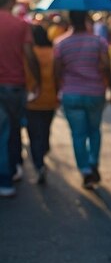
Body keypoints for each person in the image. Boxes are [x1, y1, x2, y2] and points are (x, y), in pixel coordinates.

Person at [54, 11, 111, 189]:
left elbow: (56, 71)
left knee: (78, 135)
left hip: (71, 94)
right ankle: (93, 161)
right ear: (87, 20)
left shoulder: (61, 43)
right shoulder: (98, 41)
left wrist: (59, 90)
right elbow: (106, 66)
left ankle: (85, 170)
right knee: (94, 131)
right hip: (95, 93)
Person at [0, 0, 40, 197]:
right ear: (10, 0)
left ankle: (7, 173)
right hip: (14, 86)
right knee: (13, 130)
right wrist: (38, 81)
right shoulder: (20, 25)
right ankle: (9, 173)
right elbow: (30, 55)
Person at [25, 25, 58, 184]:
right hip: (50, 99)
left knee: (34, 134)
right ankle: (42, 153)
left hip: (32, 100)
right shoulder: (53, 52)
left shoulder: (28, 54)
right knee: (45, 130)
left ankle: (39, 163)